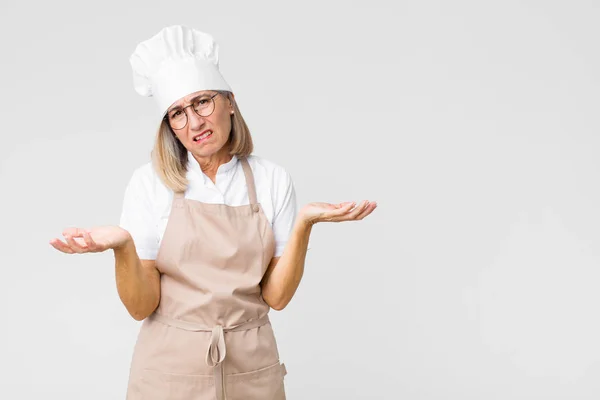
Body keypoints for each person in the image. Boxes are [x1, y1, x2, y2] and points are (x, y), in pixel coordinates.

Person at [49, 25, 377, 399]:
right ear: (170, 126)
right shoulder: (150, 184)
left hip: (252, 367)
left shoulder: (272, 179)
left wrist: (304, 224)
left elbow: (277, 297)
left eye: (202, 102)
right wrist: (123, 246)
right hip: (168, 373)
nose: (194, 123)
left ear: (230, 101)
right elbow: (142, 307)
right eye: (178, 113)